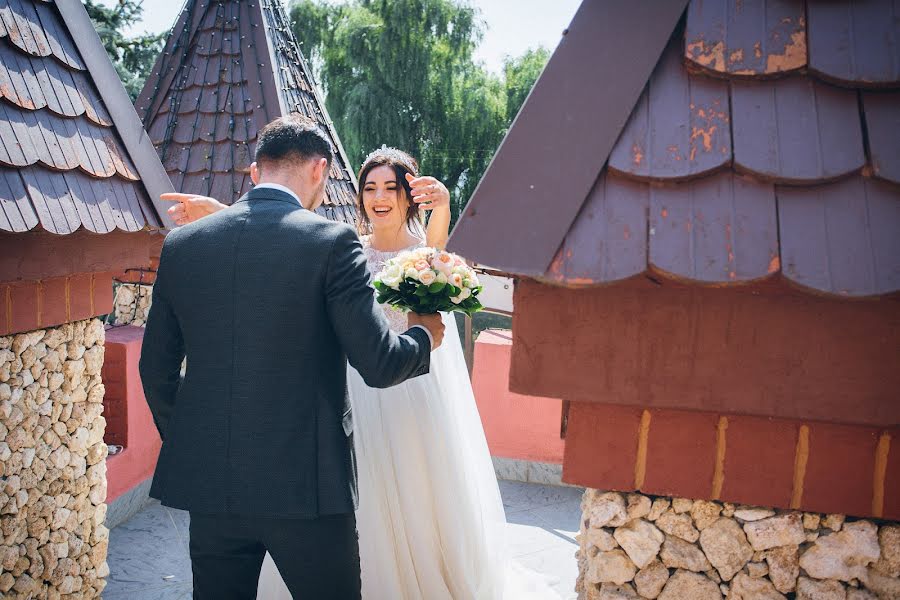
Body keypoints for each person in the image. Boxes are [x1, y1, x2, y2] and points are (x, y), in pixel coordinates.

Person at [166, 147, 559, 600]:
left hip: (410, 390)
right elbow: (284, 238)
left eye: (391, 187)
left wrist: (445, 206)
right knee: (356, 493)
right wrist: (221, 213)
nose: (379, 196)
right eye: (370, 187)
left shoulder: (420, 255)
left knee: (414, 488)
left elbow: (436, 259)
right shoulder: (345, 245)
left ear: (409, 196)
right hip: (354, 388)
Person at [138, 116, 444, 600]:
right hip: (308, 489)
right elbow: (380, 363)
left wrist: (196, 443)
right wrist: (425, 336)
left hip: (213, 487)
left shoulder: (182, 245)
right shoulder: (332, 243)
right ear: (320, 169)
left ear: (256, 170)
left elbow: (154, 370)